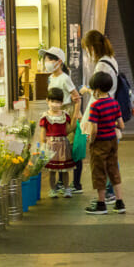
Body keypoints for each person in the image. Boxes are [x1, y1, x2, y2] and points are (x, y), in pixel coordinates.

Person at [80, 30, 120, 199]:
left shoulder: (102, 65)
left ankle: (105, 196)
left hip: (101, 118)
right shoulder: (112, 60)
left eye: (86, 49)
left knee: (101, 159)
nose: (87, 53)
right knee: (111, 156)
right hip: (110, 116)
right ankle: (114, 195)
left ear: (91, 48)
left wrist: (86, 90)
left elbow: (99, 93)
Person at [40, 47, 83, 193]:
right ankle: (60, 183)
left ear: (59, 62)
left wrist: (75, 117)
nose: (46, 62)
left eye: (49, 59)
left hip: (66, 113)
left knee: (71, 149)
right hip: (55, 114)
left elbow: (77, 98)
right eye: (45, 59)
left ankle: (76, 184)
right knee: (58, 150)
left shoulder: (65, 78)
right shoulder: (51, 77)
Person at [83, 71, 125, 215]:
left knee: (99, 172)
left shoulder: (95, 106)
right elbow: (121, 125)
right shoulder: (114, 103)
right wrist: (110, 124)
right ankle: (120, 202)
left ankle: (101, 204)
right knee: (114, 170)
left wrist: (91, 139)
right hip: (112, 141)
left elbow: (93, 129)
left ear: (97, 89)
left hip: (99, 142)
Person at [39, 88, 77, 197]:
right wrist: (43, 146)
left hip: (63, 144)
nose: (55, 104)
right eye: (53, 101)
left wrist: (75, 117)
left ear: (62, 103)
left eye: (58, 102)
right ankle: (53, 189)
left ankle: (67, 189)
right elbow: (43, 132)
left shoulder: (65, 115)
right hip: (50, 145)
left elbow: (68, 129)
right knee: (52, 170)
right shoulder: (45, 116)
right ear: (47, 101)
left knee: (65, 170)